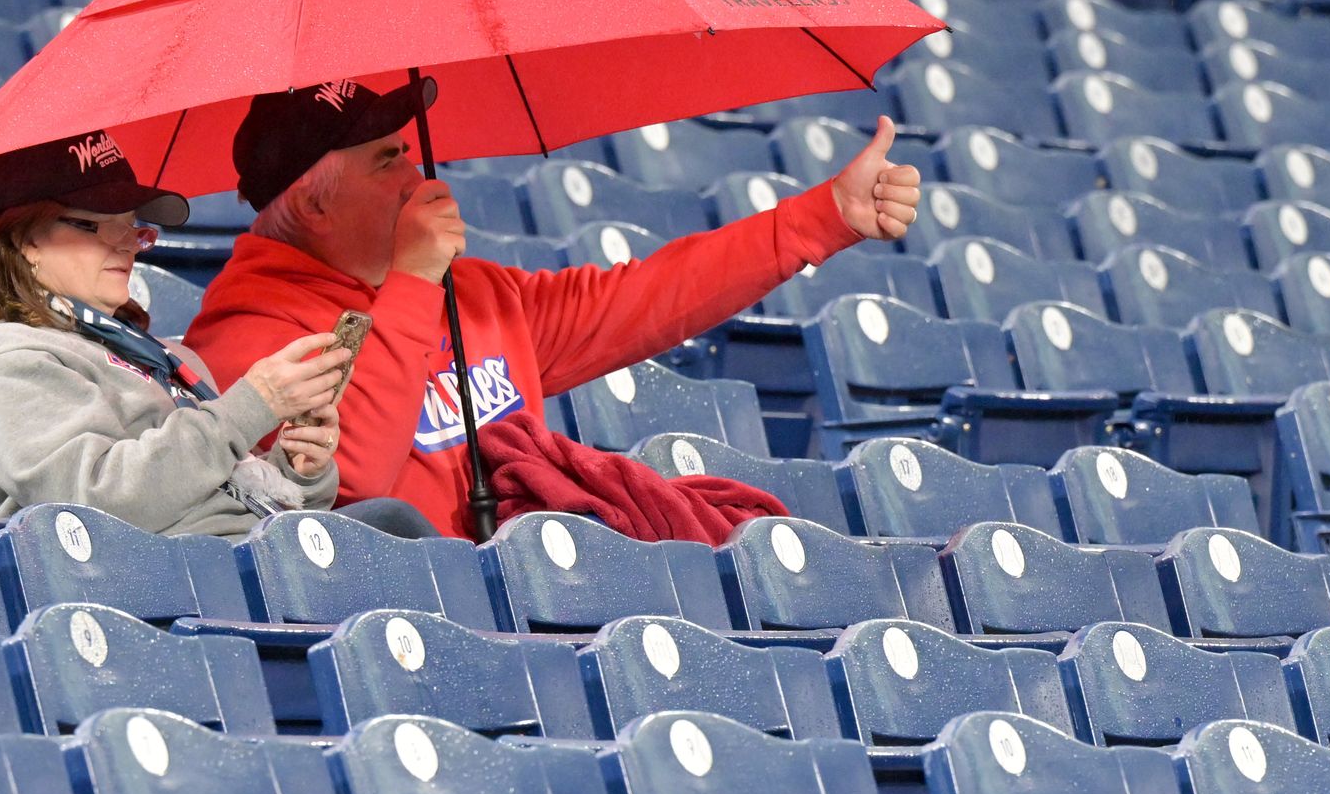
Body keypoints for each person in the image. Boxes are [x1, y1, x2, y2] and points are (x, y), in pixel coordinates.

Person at [184, 78, 921, 540]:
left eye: (407, 151)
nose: (416, 176)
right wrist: (411, 281)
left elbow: (648, 297)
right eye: (387, 160)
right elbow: (354, 484)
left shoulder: (471, 293)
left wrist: (825, 217)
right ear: (315, 202)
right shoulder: (247, 340)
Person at [0, 129, 396, 541]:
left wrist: (296, 469)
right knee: (398, 528)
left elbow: (216, 496)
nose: (125, 243)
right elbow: (93, 508)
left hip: (242, 563)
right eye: (93, 224)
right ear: (25, 240)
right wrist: (249, 408)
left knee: (397, 527)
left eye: (132, 226)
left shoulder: (156, 353)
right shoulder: (6, 360)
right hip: (156, 596)